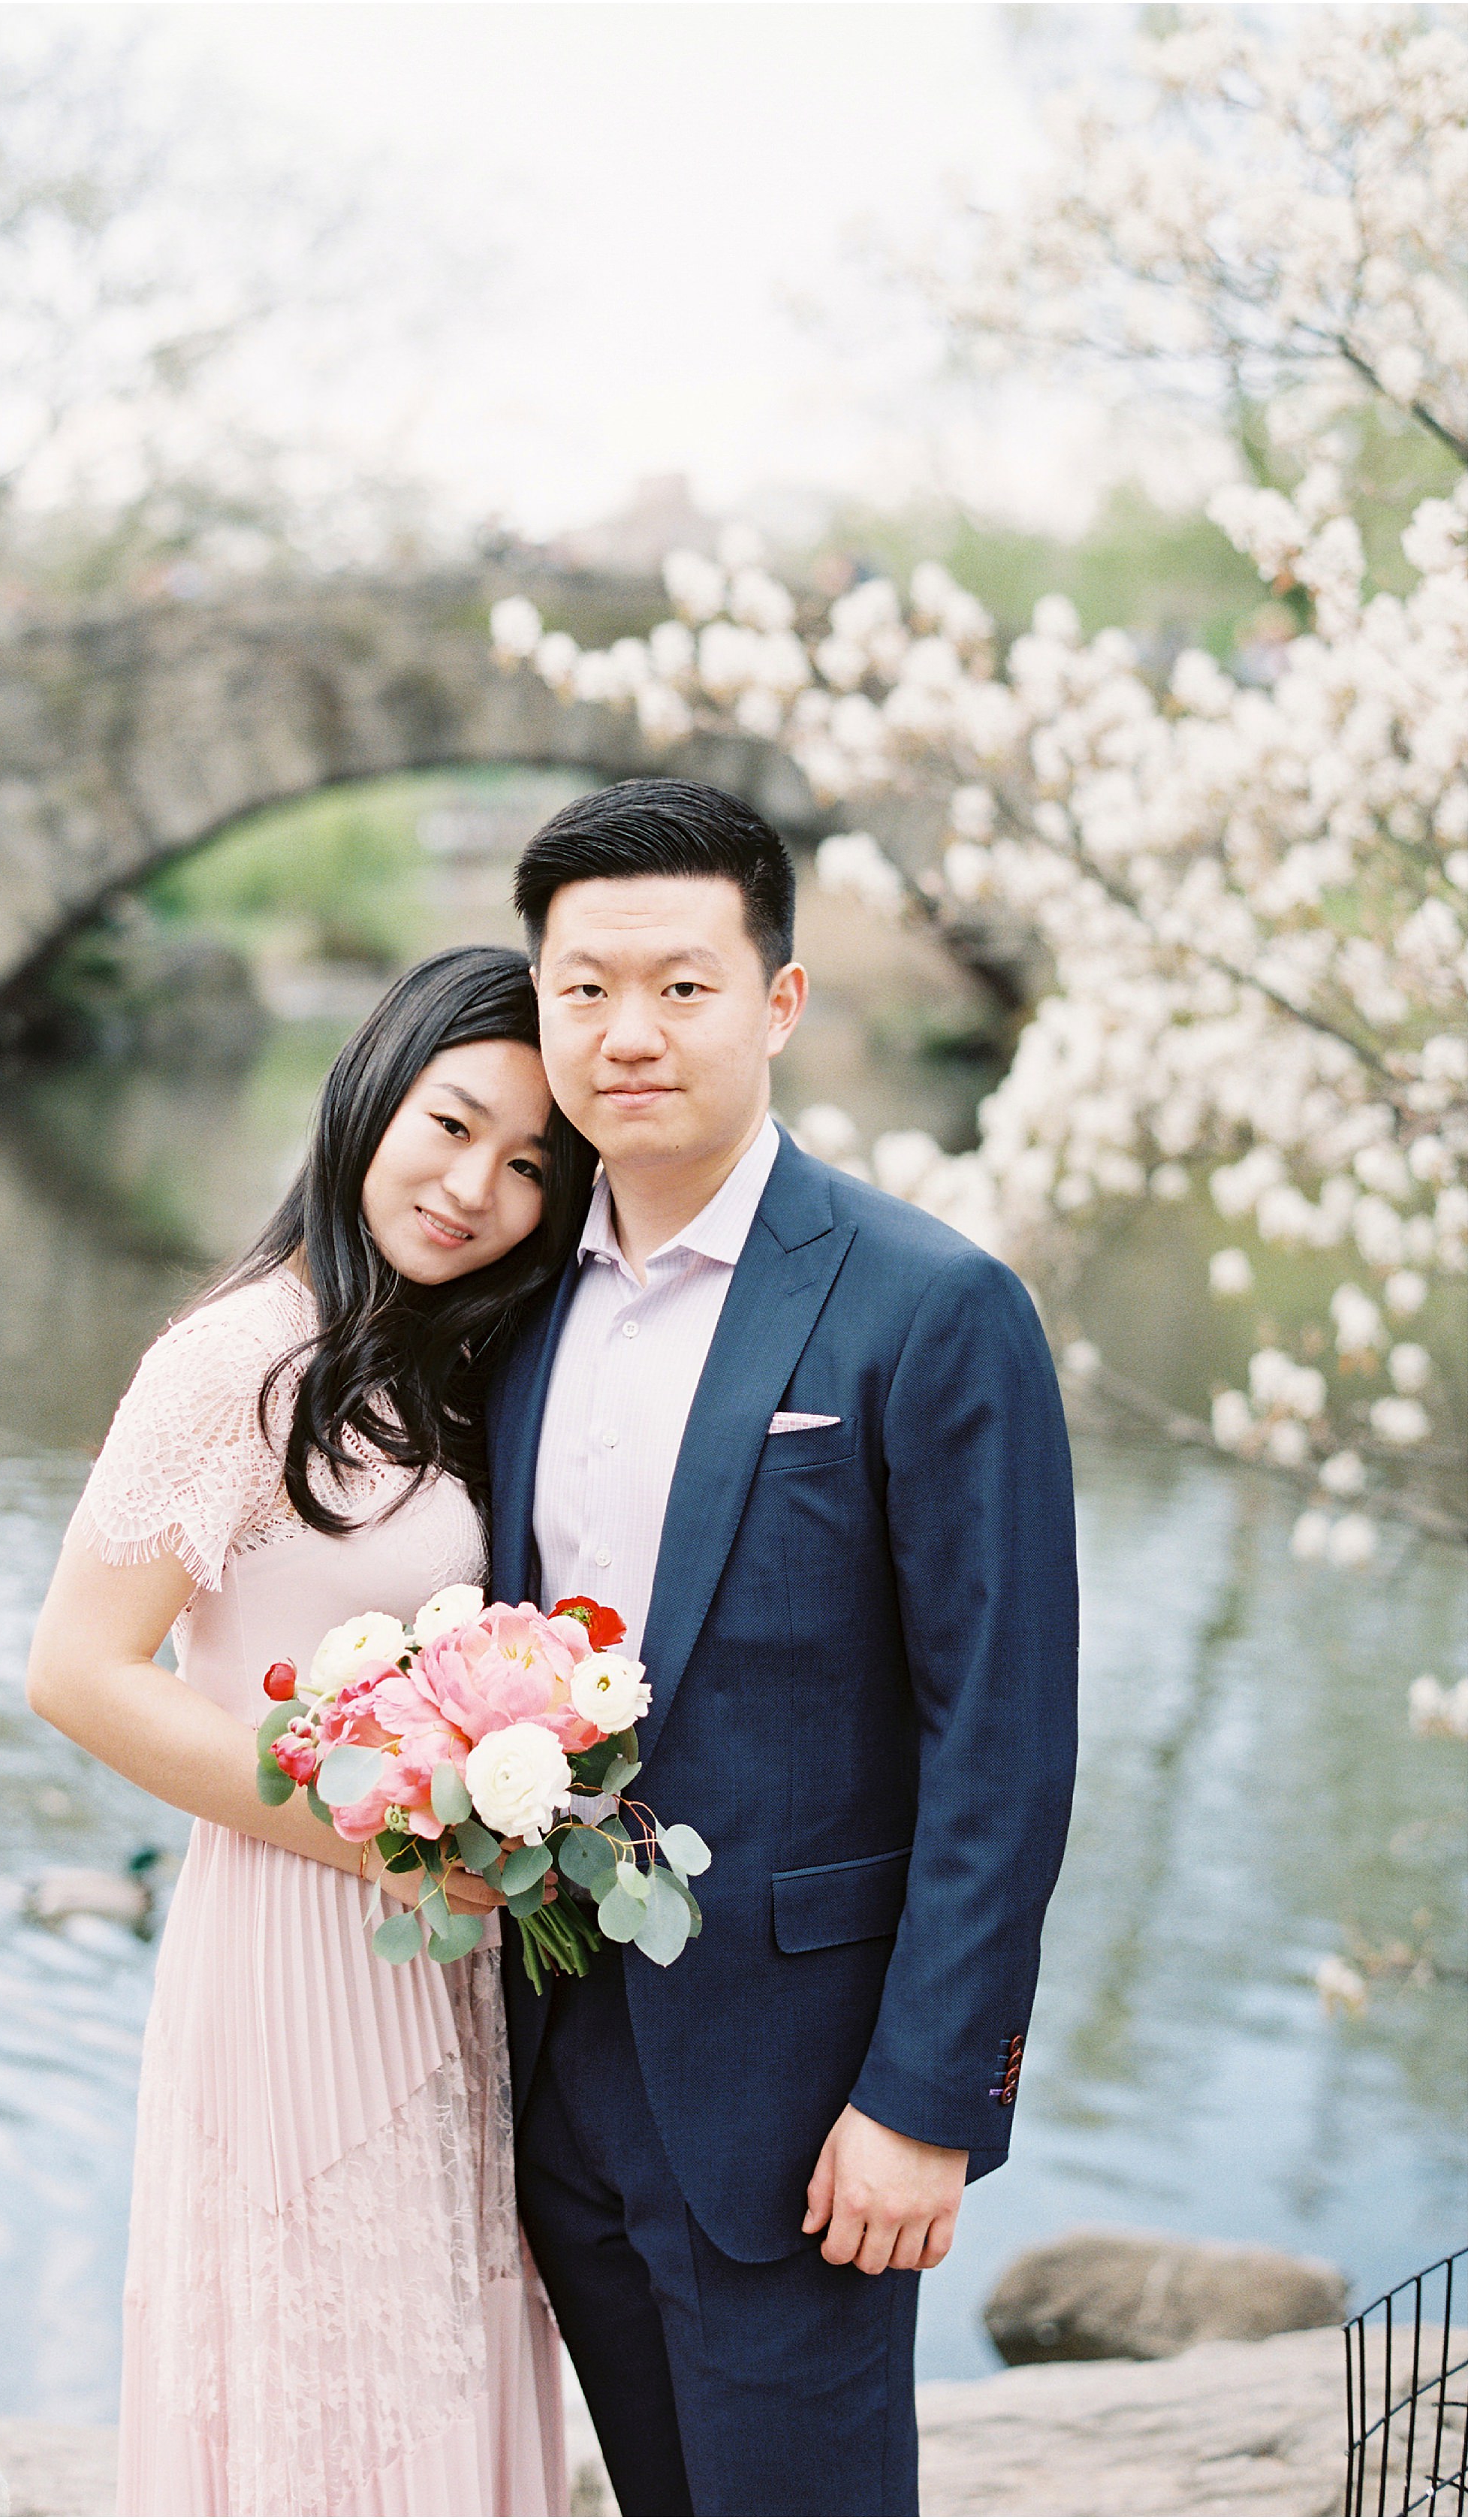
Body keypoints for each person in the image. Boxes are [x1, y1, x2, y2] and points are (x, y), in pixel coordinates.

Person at [489, 779, 1081, 2518]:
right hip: (551, 2055)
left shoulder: (925, 1302)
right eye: (582, 988)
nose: (626, 1033)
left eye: (679, 984)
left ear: (777, 1001)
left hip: (803, 2091)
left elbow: (1004, 1734)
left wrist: (926, 2098)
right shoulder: (517, 1299)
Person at [26, 945, 595, 2518]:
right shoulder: (234, 1361)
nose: (475, 1185)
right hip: (289, 1944)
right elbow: (79, 1668)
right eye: (451, 1121)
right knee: (313, 2380)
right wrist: (378, 1827)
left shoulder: (448, 1364)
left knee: (437, 2357)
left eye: (531, 1165)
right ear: (368, 1096)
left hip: (441, 1972)